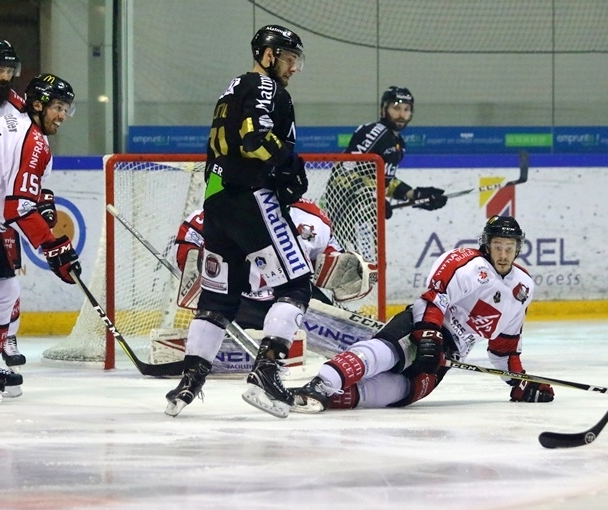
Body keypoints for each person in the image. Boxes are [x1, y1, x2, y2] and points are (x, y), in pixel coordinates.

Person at [164, 24, 311, 419]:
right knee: (296, 283)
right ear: (268, 54)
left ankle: (188, 383)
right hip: (252, 198)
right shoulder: (264, 87)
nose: (294, 68)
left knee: (217, 298)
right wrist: (289, 164)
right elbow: (254, 140)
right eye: (289, 58)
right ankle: (265, 374)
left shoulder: (232, 87)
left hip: (217, 202)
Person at [286, 216, 554, 414]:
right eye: (498, 246)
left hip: (450, 353)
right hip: (423, 326)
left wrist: (520, 382)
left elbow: (504, 346)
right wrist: (429, 335)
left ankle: (329, 398)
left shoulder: (522, 287)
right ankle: (321, 384)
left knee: (405, 391)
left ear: (518, 248)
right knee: (388, 353)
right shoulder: (469, 265)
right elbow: (433, 300)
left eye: (509, 247)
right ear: (487, 245)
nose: (503, 254)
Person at [0, 74, 79, 401]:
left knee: (4, 284)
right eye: (58, 107)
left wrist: (42, 201)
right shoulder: (33, 141)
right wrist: (56, 249)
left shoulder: (22, 127)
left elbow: (25, 191)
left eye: (66, 109)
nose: (62, 115)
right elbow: (17, 208)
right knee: (4, 286)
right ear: (38, 104)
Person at [173, 199, 376, 320]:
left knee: (310, 306)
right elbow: (189, 243)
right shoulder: (221, 209)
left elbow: (330, 263)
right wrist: (195, 264)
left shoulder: (314, 219)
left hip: (291, 297)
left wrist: (345, 271)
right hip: (239, 300)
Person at [322, 86, 448, 260]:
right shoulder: (375, 132)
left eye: (406, 109)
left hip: (363, 221)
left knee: (365, 274)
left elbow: (383, 180)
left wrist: (415, 194)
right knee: (344, 271)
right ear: (383, 109)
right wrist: (375, 201)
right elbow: (345, 171)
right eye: (396, 108)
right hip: (340, 217)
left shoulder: (397, 142)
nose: (401, 114)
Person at [0, 39, 28, 371]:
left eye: (8, 70)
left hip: (2, 208)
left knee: (7, 278)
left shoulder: (17, 107)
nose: (4, 76)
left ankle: (7, 338)